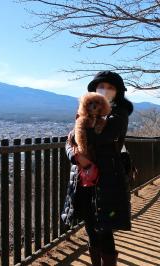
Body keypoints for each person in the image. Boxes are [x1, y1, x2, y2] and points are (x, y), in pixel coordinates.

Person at [62, 71, 134, 266]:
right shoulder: (85, 112)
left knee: (104, 228)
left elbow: (99, 136)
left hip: (107, 179)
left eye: (111, 87)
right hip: (84, 178)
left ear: (118, 92)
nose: (105, 90)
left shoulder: (119, 113)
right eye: (101, 86)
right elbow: (70, 142)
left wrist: (76, 134)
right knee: (90, 226)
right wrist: (76, 157)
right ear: (93, 90)